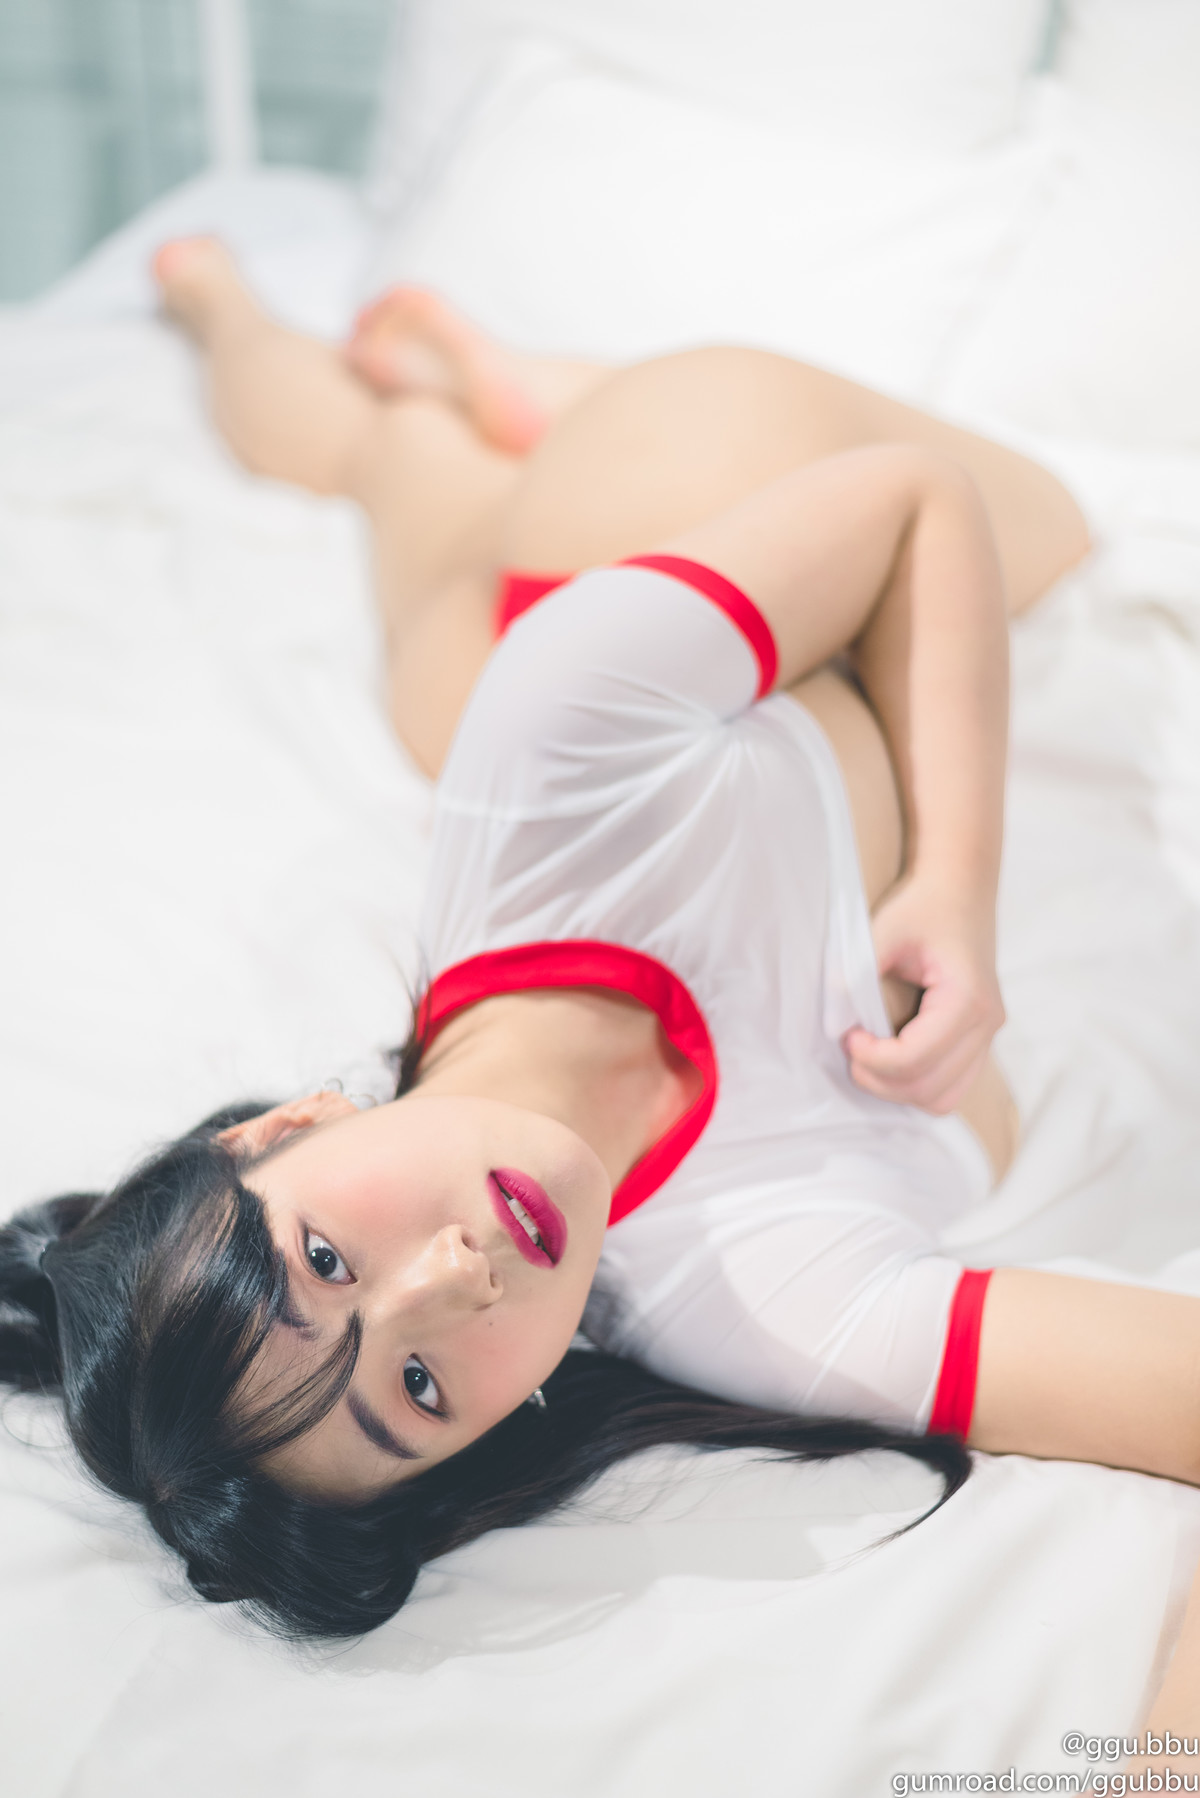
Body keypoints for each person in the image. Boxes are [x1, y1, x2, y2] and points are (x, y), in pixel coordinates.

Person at [8, 244, 1200, 1686]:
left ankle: (298, 323)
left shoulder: (557, 735)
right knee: (396, 455)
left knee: (1047, 526)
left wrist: (956, 879)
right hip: (603, 680)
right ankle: (421, 384)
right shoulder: (761, 1299)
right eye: (420, 1388)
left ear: (285, 1127)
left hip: (647, 518)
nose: (452, 1280)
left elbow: (912, 505)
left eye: (326, 1258)